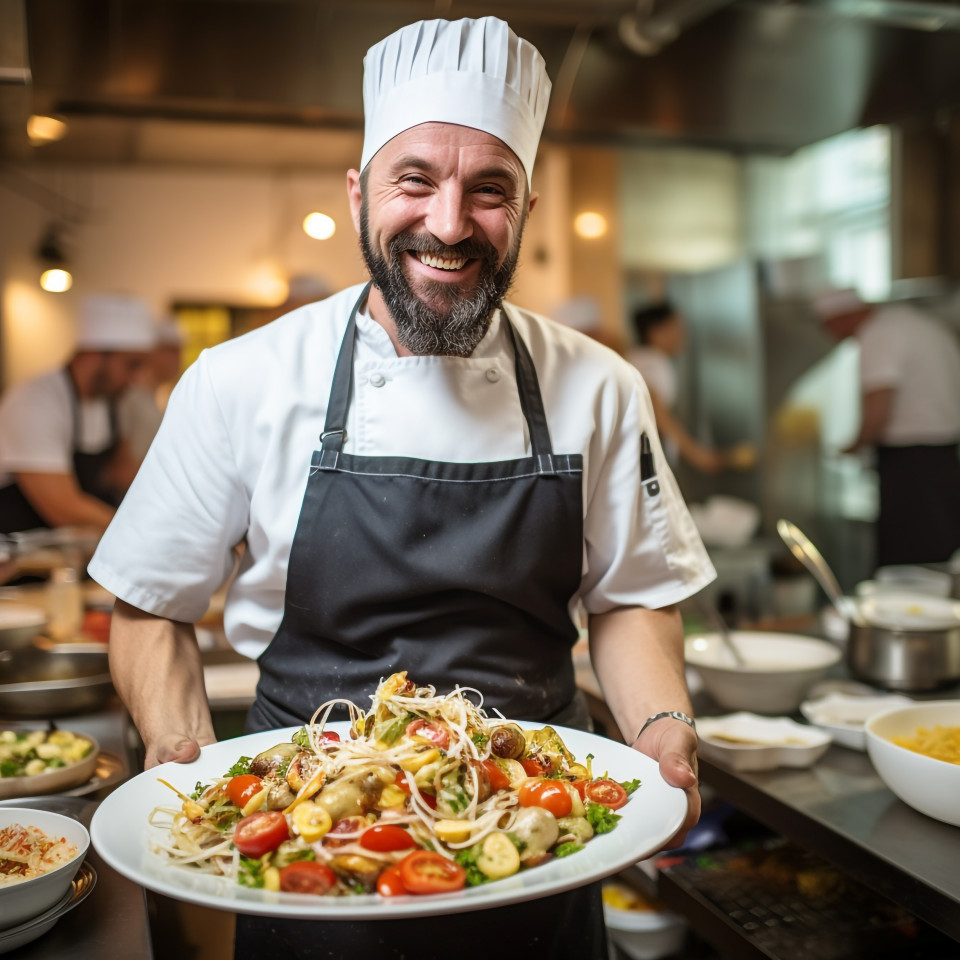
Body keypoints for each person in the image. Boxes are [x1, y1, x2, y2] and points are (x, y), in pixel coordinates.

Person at [89, 16, 715, 959]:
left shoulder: (600, 385)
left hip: (537, 827)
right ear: (357, 195)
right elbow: (147, 606)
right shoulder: (238, 379)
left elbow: (629, 600)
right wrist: (176, 753)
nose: (450, 223)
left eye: (489, 189)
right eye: (414, 180)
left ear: (528, 210)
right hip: (312, 830)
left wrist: (664, 728)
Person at [815, 288, 960, 566]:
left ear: (842, 316)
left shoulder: (878, 334)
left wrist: (853, 446)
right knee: (941, 553)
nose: (829, 334)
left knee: (910, 558)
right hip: (945, 457)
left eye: (827, 325)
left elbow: (879, 407)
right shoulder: (916, 323)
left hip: (912, 465)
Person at [0, 292, 155, 534]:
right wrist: (139, 530)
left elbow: (122, 474)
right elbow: (64, 508)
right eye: (131, 364)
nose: (136, 378)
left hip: (71, 554)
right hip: (19, 560)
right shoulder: (35, 401)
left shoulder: (112, 403)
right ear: (95, 355)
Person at [627, 301, 755, 474]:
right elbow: (654, 407)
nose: (682, 335)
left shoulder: (637, 358)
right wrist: (699, 456)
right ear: (655, 332)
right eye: (676, 328)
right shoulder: (652, 363)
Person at [116, 317, 185, 463]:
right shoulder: (132, 397)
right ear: (153, 351)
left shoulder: (154, 398)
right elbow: (125, 468)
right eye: (172, 352)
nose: (178, 359)